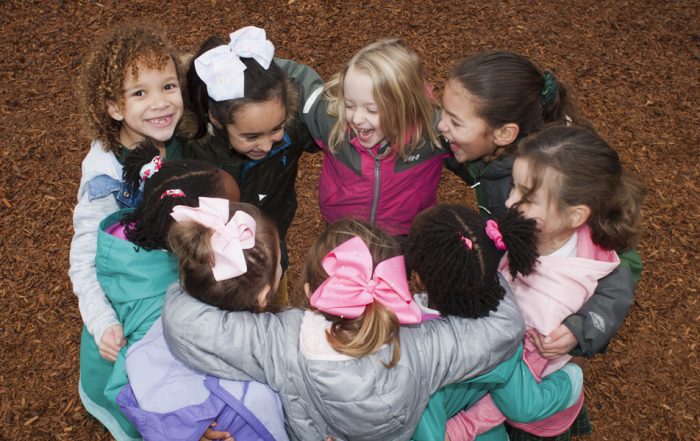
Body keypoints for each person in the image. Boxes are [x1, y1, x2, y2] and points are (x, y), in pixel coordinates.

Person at [162, 217, 526, 441]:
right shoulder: (425, 346)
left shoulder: (281, 343)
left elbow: (183, 324)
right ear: (397, 288)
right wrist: (478, 266)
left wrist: (203, 269)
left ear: (307, 292)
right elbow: (506, 327)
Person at [438, 52, 642, 418]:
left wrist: (582, 329)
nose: (442, 126)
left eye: (454, 121)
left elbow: (622, 266)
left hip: (542, 343)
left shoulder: (551, 186)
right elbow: (478, 170)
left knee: (515, 407)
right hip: (517, 308)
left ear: (504, 133)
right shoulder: (511, 165)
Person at [78, 141, 239, 441]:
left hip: (96, 365)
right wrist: (185, 423)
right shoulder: (158, 309)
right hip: (127, 395)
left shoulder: (133, 233)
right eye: (227, 218)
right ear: (191, 234)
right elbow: (134, 384)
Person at [70, 22, 185, 387]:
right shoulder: (106, 175)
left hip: (180, 285)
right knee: (147, 383)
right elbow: (85, 255)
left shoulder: (184, 141)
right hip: (133, 300)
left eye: (168, 86)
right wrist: (102, 320)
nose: (160, 102)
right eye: (139, 93)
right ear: (114, 108)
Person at [406, 204, 584, 441]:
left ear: (418, 279)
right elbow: (524, 405)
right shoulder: (505, 326)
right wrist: (572, 379)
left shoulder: (415, 352)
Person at [116, 199, 288, 441]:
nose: (281, 265)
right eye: (280, 262)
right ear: (262, 296)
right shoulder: (255, 398)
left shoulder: (168, 321)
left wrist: (183, 429)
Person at [182, 26, 317, 304]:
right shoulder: (194, 147)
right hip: (216, 274)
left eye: (275, 129)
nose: (267, 145)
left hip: (270, 255)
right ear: (217, 119)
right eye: (251, 136)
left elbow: (335, 128)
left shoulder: (292, 126)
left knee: (274, 312)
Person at [276, 38, 449, 236]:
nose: (357, 118)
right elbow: (299, 80)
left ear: (405, 106)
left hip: (403, 233)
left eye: (372, 109)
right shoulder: (334, 121)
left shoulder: (433, 131)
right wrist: (248, 60)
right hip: (342, 229)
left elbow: (474, 140)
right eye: (349, 105)